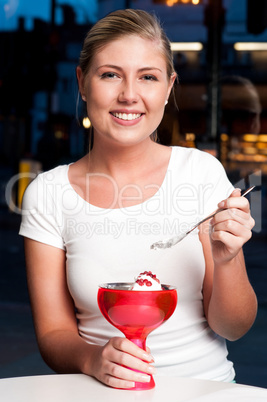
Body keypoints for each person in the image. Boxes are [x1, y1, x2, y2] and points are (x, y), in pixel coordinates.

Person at [19, 9, 257, 389]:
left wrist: (227, 259)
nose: (129, 95)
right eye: (110, 74)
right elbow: (53, 335)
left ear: (168, 88)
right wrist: (93, 358)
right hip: (97, 394)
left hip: (204, 392)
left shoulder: (199, 174)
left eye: (148, 77)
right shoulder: (47, 194)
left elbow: (234, 326)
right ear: (82, 83)